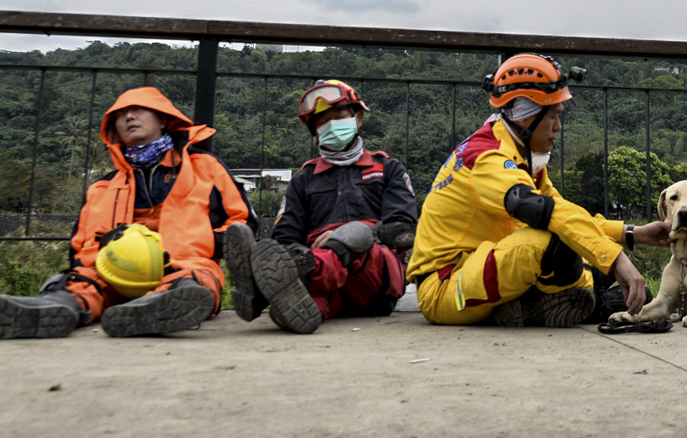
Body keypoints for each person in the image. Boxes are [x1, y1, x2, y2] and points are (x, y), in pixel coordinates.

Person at [406, 53, 671, 327]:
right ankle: (593, 303)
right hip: (446, 286)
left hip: (485, 266)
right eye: (554, 116)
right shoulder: (486, 157)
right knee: (557, 247)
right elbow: (541, 210)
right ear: (525, 117)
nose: (558, 127)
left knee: (576, 241)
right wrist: (616, 261)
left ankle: (540, 304)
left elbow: (565, 216)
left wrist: (632, 233)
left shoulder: (522, 156)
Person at [0, 86, 256, 339]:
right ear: (114, 129)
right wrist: (88, 270)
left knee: (196, 278)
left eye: (138, 110)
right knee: (80, 283)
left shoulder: (204, 167)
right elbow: (79, 248)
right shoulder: (101, 187)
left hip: (182, 265)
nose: (129, 117)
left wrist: (205, 243)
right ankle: (53, 308)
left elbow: (242, 221)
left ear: (163, 120)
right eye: (120, 115)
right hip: (111, 273)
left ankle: (160, 305)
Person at [226, 79, 417, 334]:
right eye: (323, 121)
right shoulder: (303, 179)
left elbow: (404, 231)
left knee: (355, 235)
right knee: (304, 303)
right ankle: (290, 303)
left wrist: (343, 238)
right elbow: (285, 237)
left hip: (375, 282)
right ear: (315, 130)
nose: (331, 125)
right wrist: (301, 253)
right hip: (328, 287)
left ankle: (262, 290)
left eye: (339, 116)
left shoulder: (388, 168)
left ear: (358, 119)